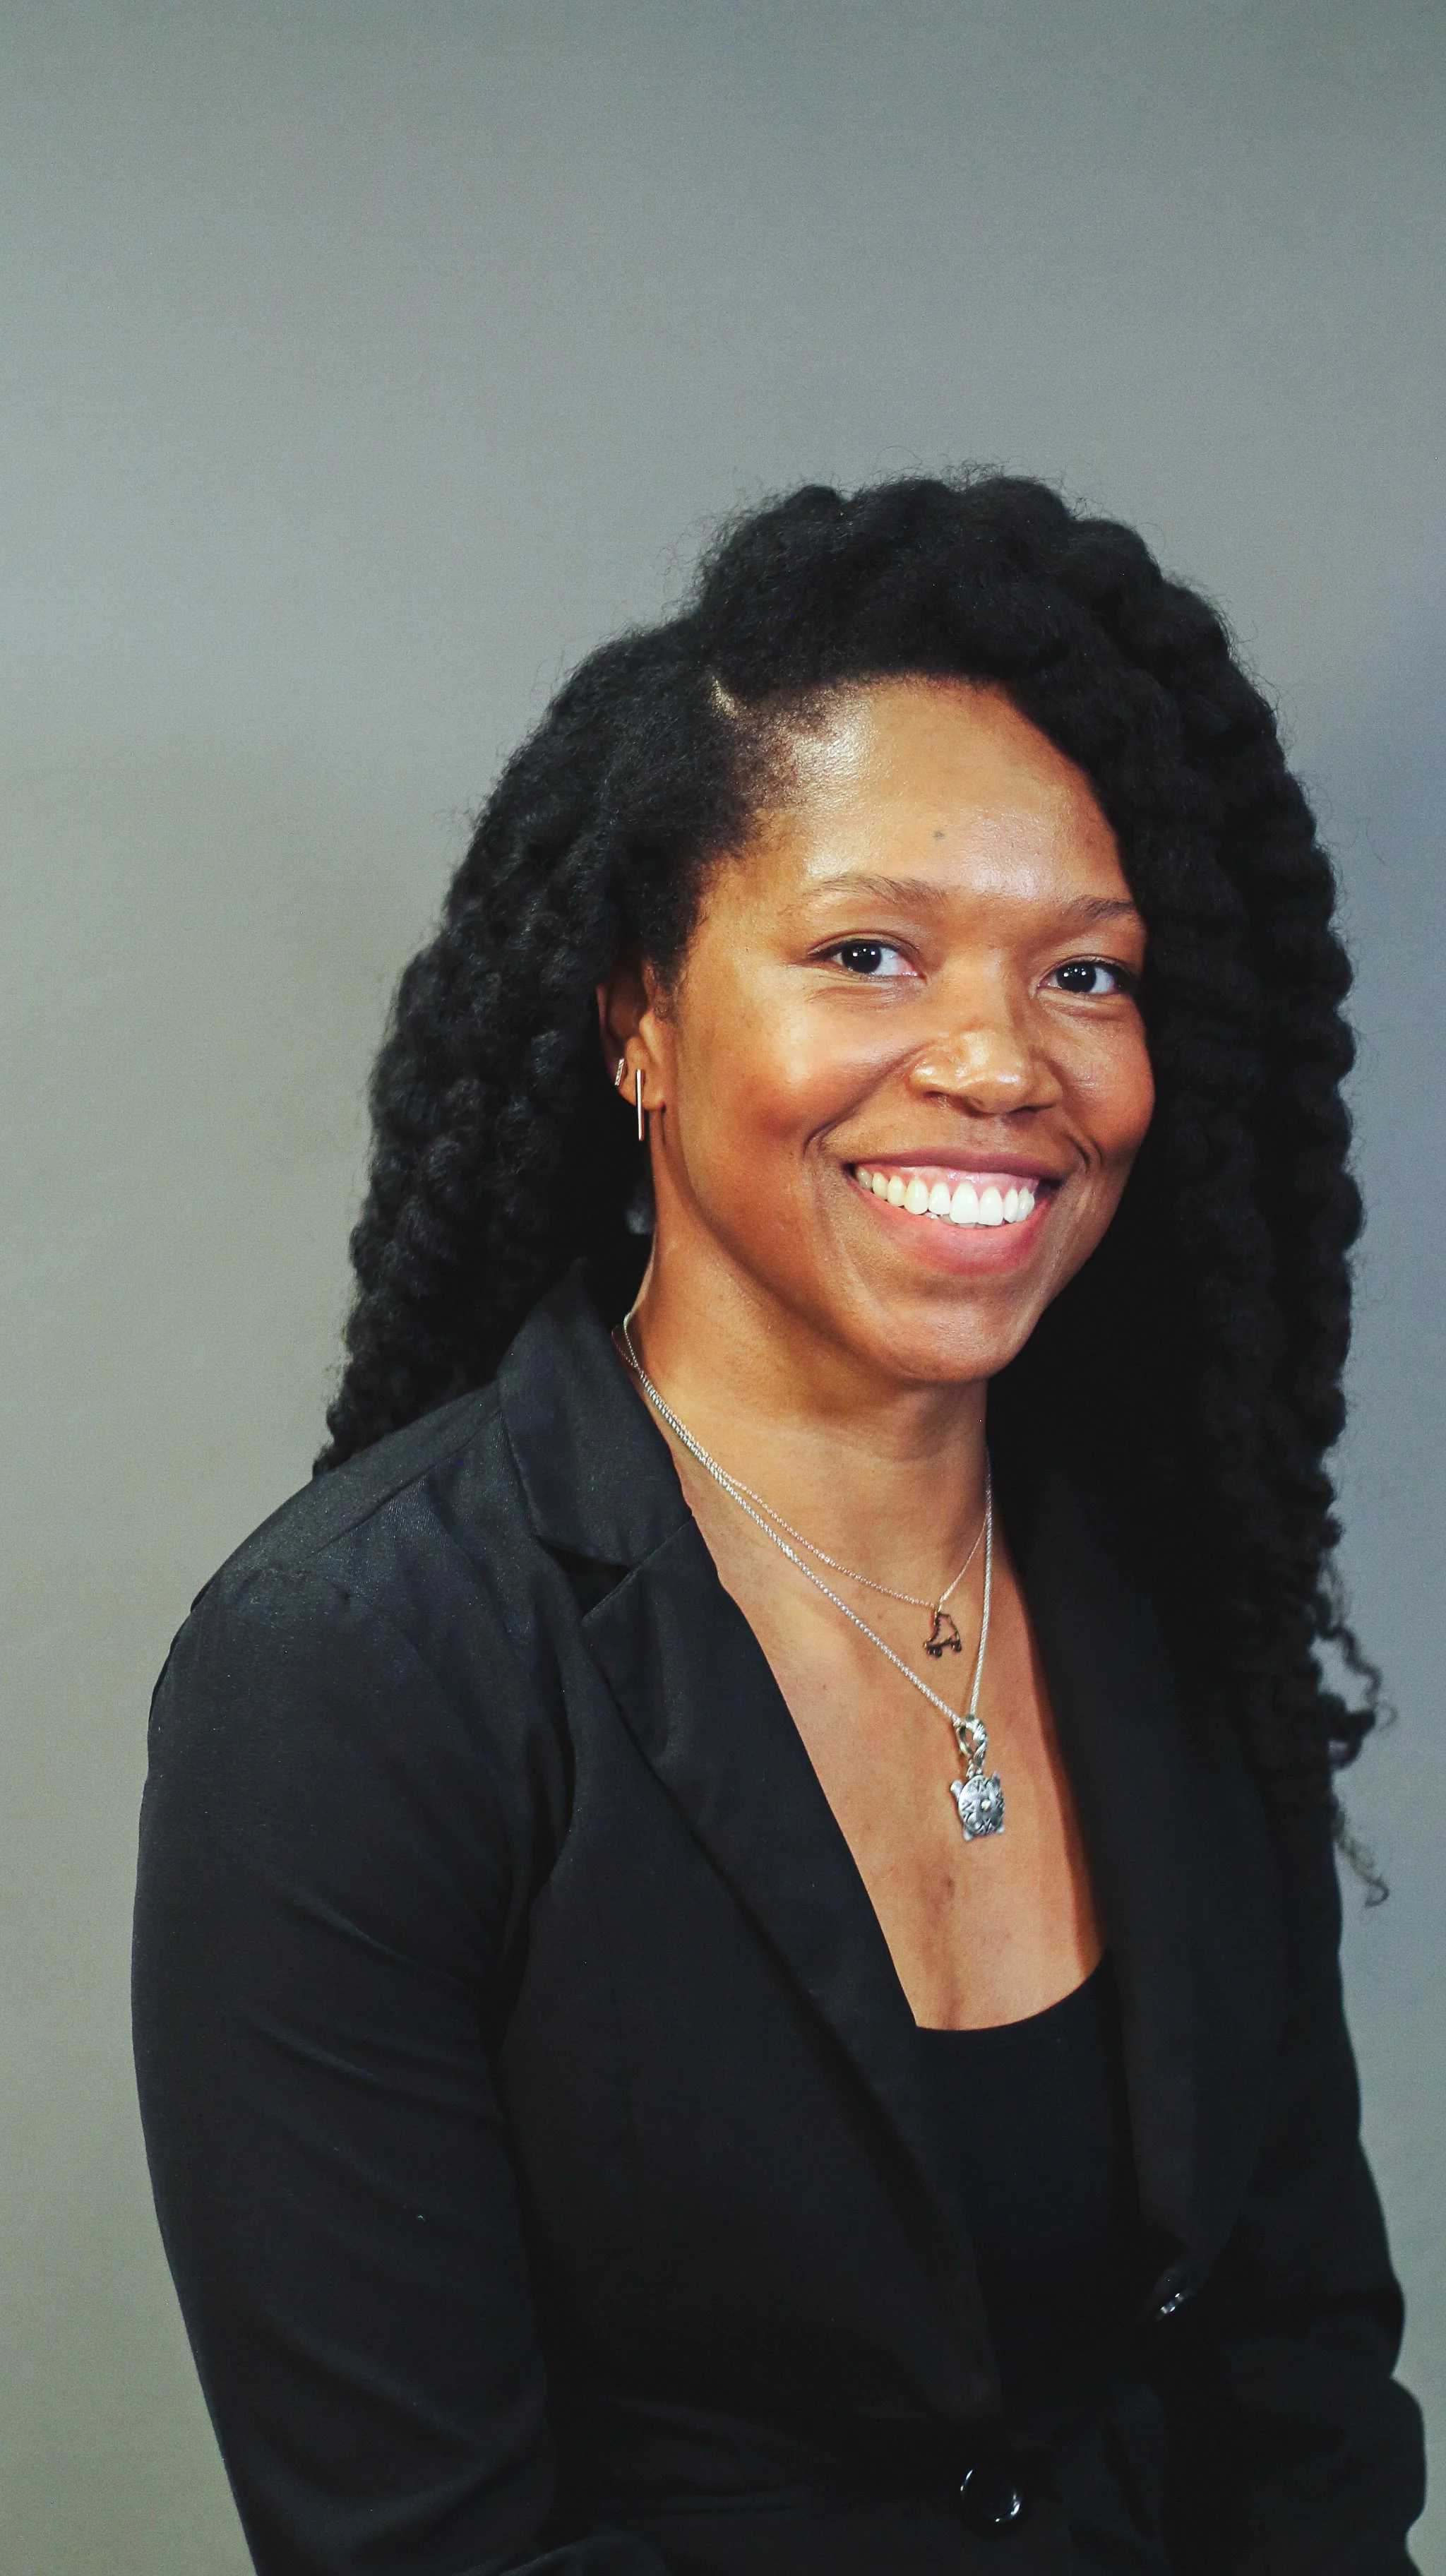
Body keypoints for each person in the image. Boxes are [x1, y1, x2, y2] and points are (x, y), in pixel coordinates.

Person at [132, 475, 1426, 2575]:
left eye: (1089, 976)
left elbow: (1306, 2401)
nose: (1002, 1061)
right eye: (870, 951)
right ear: (639, 1013)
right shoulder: (358, 1674)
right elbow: (418, 2547)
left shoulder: (1166, 1600)